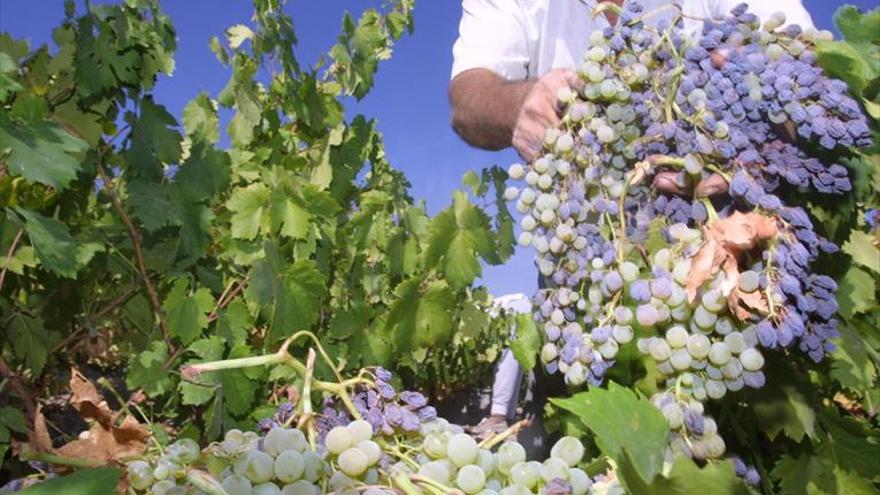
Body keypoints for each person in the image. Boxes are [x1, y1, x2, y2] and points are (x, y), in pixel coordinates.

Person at [450, 0, 816, 436]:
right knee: (577, 448)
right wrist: (519, 104)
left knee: (729, 443)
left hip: (722, 276)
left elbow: (803, 59)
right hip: (585, 290)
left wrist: (755, 129)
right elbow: (468, 99)